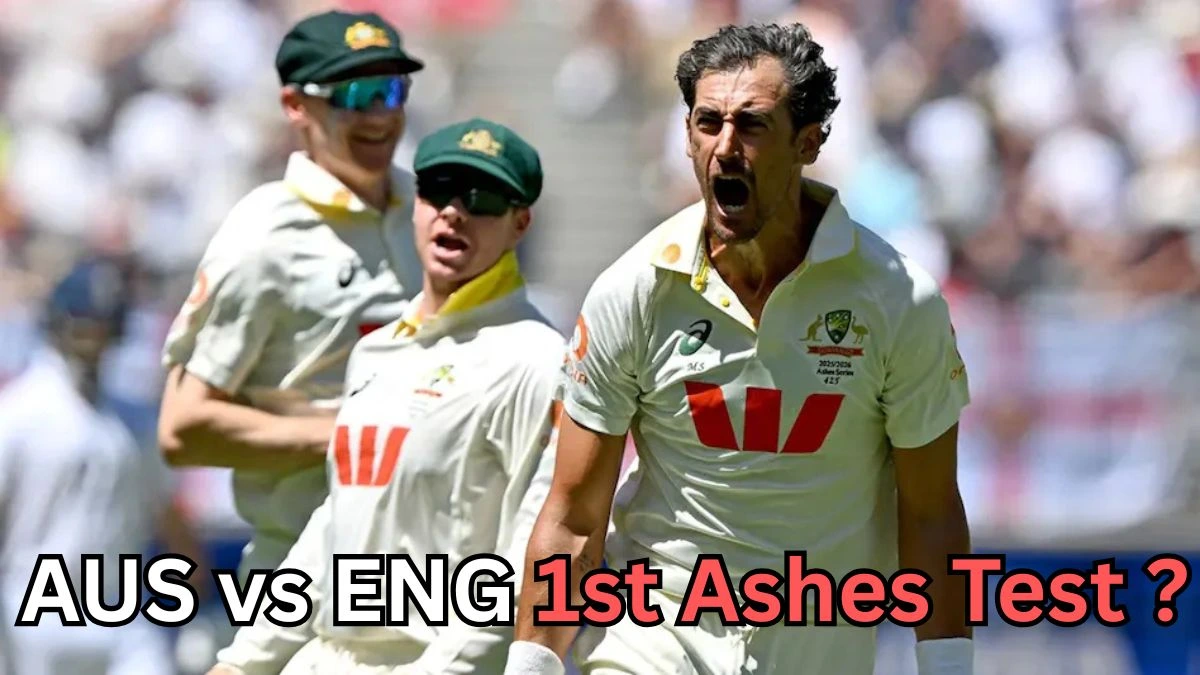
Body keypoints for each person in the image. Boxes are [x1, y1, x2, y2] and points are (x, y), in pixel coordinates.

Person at [506, 23, 973, 675]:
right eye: (707, 123)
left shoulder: (899, 300)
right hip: (649, 646)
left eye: (752, 125)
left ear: (808, 143)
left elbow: (931, 514)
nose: (725, 148)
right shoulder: (631, 290)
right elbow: (574, 517)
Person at [207, 119, 565, 675]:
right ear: (415, 203)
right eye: (440, 189)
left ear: (520, 223)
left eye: (482, 198)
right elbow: (336, 524)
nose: (455, 210)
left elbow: (527, 559)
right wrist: (244, 661)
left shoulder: (535, 360)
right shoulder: (378, 354)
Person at [157, 10, 427, 578]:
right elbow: (182, 428)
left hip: (429, 568)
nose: (380, 113)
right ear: (295, 106)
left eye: (392, 89)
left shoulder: (430, 212)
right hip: (306, 574)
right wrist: (343, 435)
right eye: (355, 93)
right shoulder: (264, 236)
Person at [0, 257, 201, 675]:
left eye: (103, 327)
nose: (93, 339)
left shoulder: (133, 415)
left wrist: (191, 572)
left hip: (120, 606)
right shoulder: (16, 413)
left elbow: (164, 509)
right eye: (84, 325)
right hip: (32, 607)